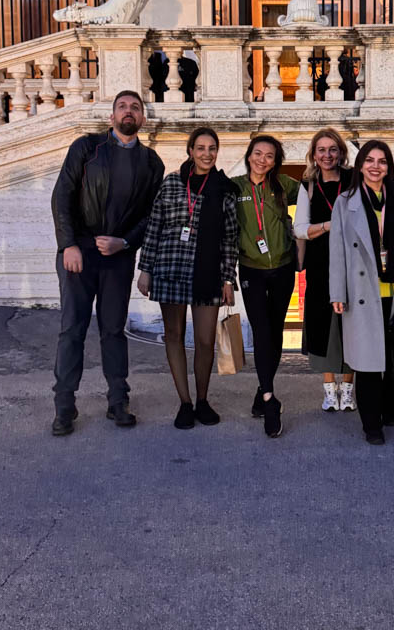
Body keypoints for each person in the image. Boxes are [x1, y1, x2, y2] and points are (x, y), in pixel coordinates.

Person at [50, 90, 164, 436]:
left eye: (135, 107)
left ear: (143, 118)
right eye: (122, 107)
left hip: (118, 256)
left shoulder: (151, 162)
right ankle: (64, 406)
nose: (129, 112)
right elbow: (62, 196)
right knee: (73, 329)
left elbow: (151, 216)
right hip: (80, 253)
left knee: (113, 330)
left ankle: (118, 401)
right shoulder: (87, 148)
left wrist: (125, 243)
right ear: (111, 116)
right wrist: (68, 245)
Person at [136, 128, 239, 429]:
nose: (207, 154)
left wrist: (228, 279)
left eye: (212, 148)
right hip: (171, 268)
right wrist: (145, 269)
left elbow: (230, 239)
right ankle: (185, 402)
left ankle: (203, 399)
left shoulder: (225, 189)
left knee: (205, 340)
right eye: (201, 148)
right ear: (190, 151)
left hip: (208, 273)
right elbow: (154, 226)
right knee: (174, 334)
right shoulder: (171, 183)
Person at [329, 140, 394, 445]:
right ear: (360, 165)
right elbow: (337, 251)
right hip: (361, 293)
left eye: (382, 161)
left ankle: (390, 410)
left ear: (389, 168)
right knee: (368, 363)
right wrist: (337, 293)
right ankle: (372, 425)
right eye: (369, 160)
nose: (375, 167)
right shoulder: (345, 202)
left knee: (393, 358)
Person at [232, 135, 300, 439]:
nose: (262, 160)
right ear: (249, 156)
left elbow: (318, 191)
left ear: (275, 161)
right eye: (257, 153)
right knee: (262, 331)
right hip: (252, 269)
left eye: (269, 156)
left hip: (283, 267)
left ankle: (262, 391)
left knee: (276, 332)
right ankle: (270, 400)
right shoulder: (234, 187)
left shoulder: (285, 185)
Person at [294, 128, 355, 413]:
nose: (327, 155)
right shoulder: (307, 185)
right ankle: (330, 390)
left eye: (332, 149)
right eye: (322, 150)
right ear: (314, 154)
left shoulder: (354, 180)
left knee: (351, 324)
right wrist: (328, 226)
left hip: (352, 261)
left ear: (341, 152)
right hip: (320, 262)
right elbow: (300, 229)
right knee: (323, 325)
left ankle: (349, 390)